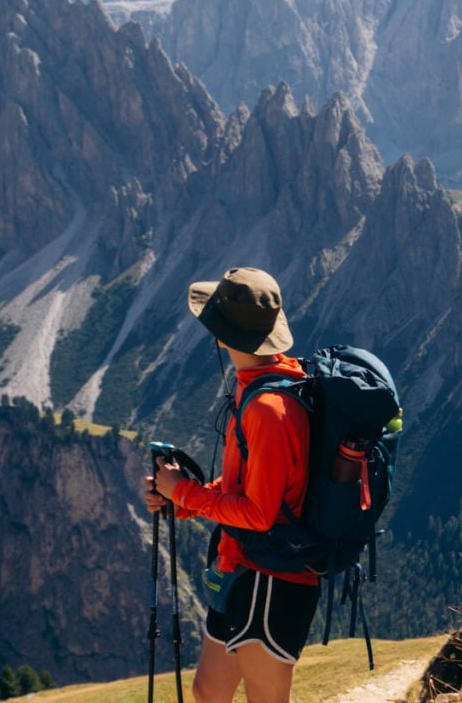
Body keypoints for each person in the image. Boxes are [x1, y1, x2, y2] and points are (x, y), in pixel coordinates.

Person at [144, 267, 319, 703]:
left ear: (223, 336)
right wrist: (179, 504)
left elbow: (259, 514)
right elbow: (244, 485)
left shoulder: (269, 410)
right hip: (242, 570)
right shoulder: (258, 387)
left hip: (272, 578)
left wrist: (183, 493)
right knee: (209, 692)